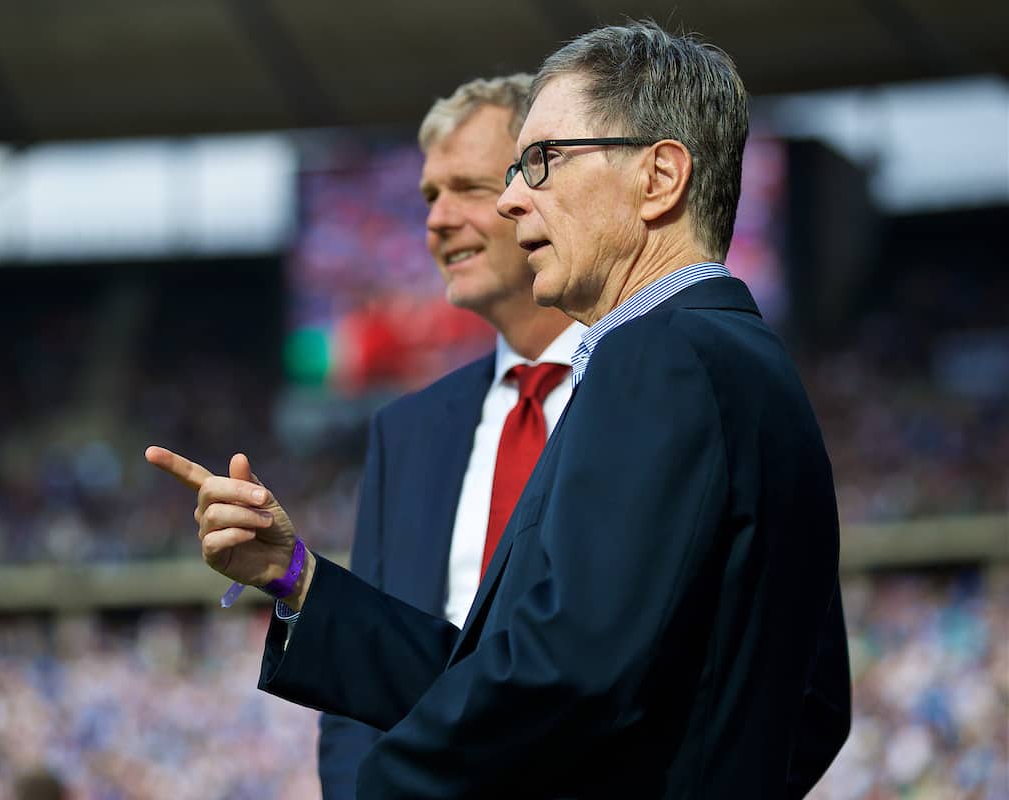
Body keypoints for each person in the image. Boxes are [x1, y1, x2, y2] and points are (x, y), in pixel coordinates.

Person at [147, 20, 851, 798]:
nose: (514, 200)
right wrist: (299, 579)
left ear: (659, 177)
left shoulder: (656, 357)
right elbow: (793, 706)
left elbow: (566, 676)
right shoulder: (748, 361)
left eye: (542, 163)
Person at [317, 74, 584, 799]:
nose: (436, 220)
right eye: (429, 196)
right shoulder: (406, 432)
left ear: (544, 188)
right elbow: (356, 687)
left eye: (466, 187)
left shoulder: (658, 392)